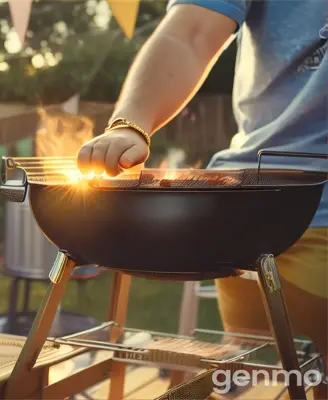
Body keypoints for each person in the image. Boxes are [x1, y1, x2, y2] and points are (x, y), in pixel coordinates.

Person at [77, 0, 327, 394]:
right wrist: (131, 124)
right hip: (258, 209)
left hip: (263, 211)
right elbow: (189, 33)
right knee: (263, 387)